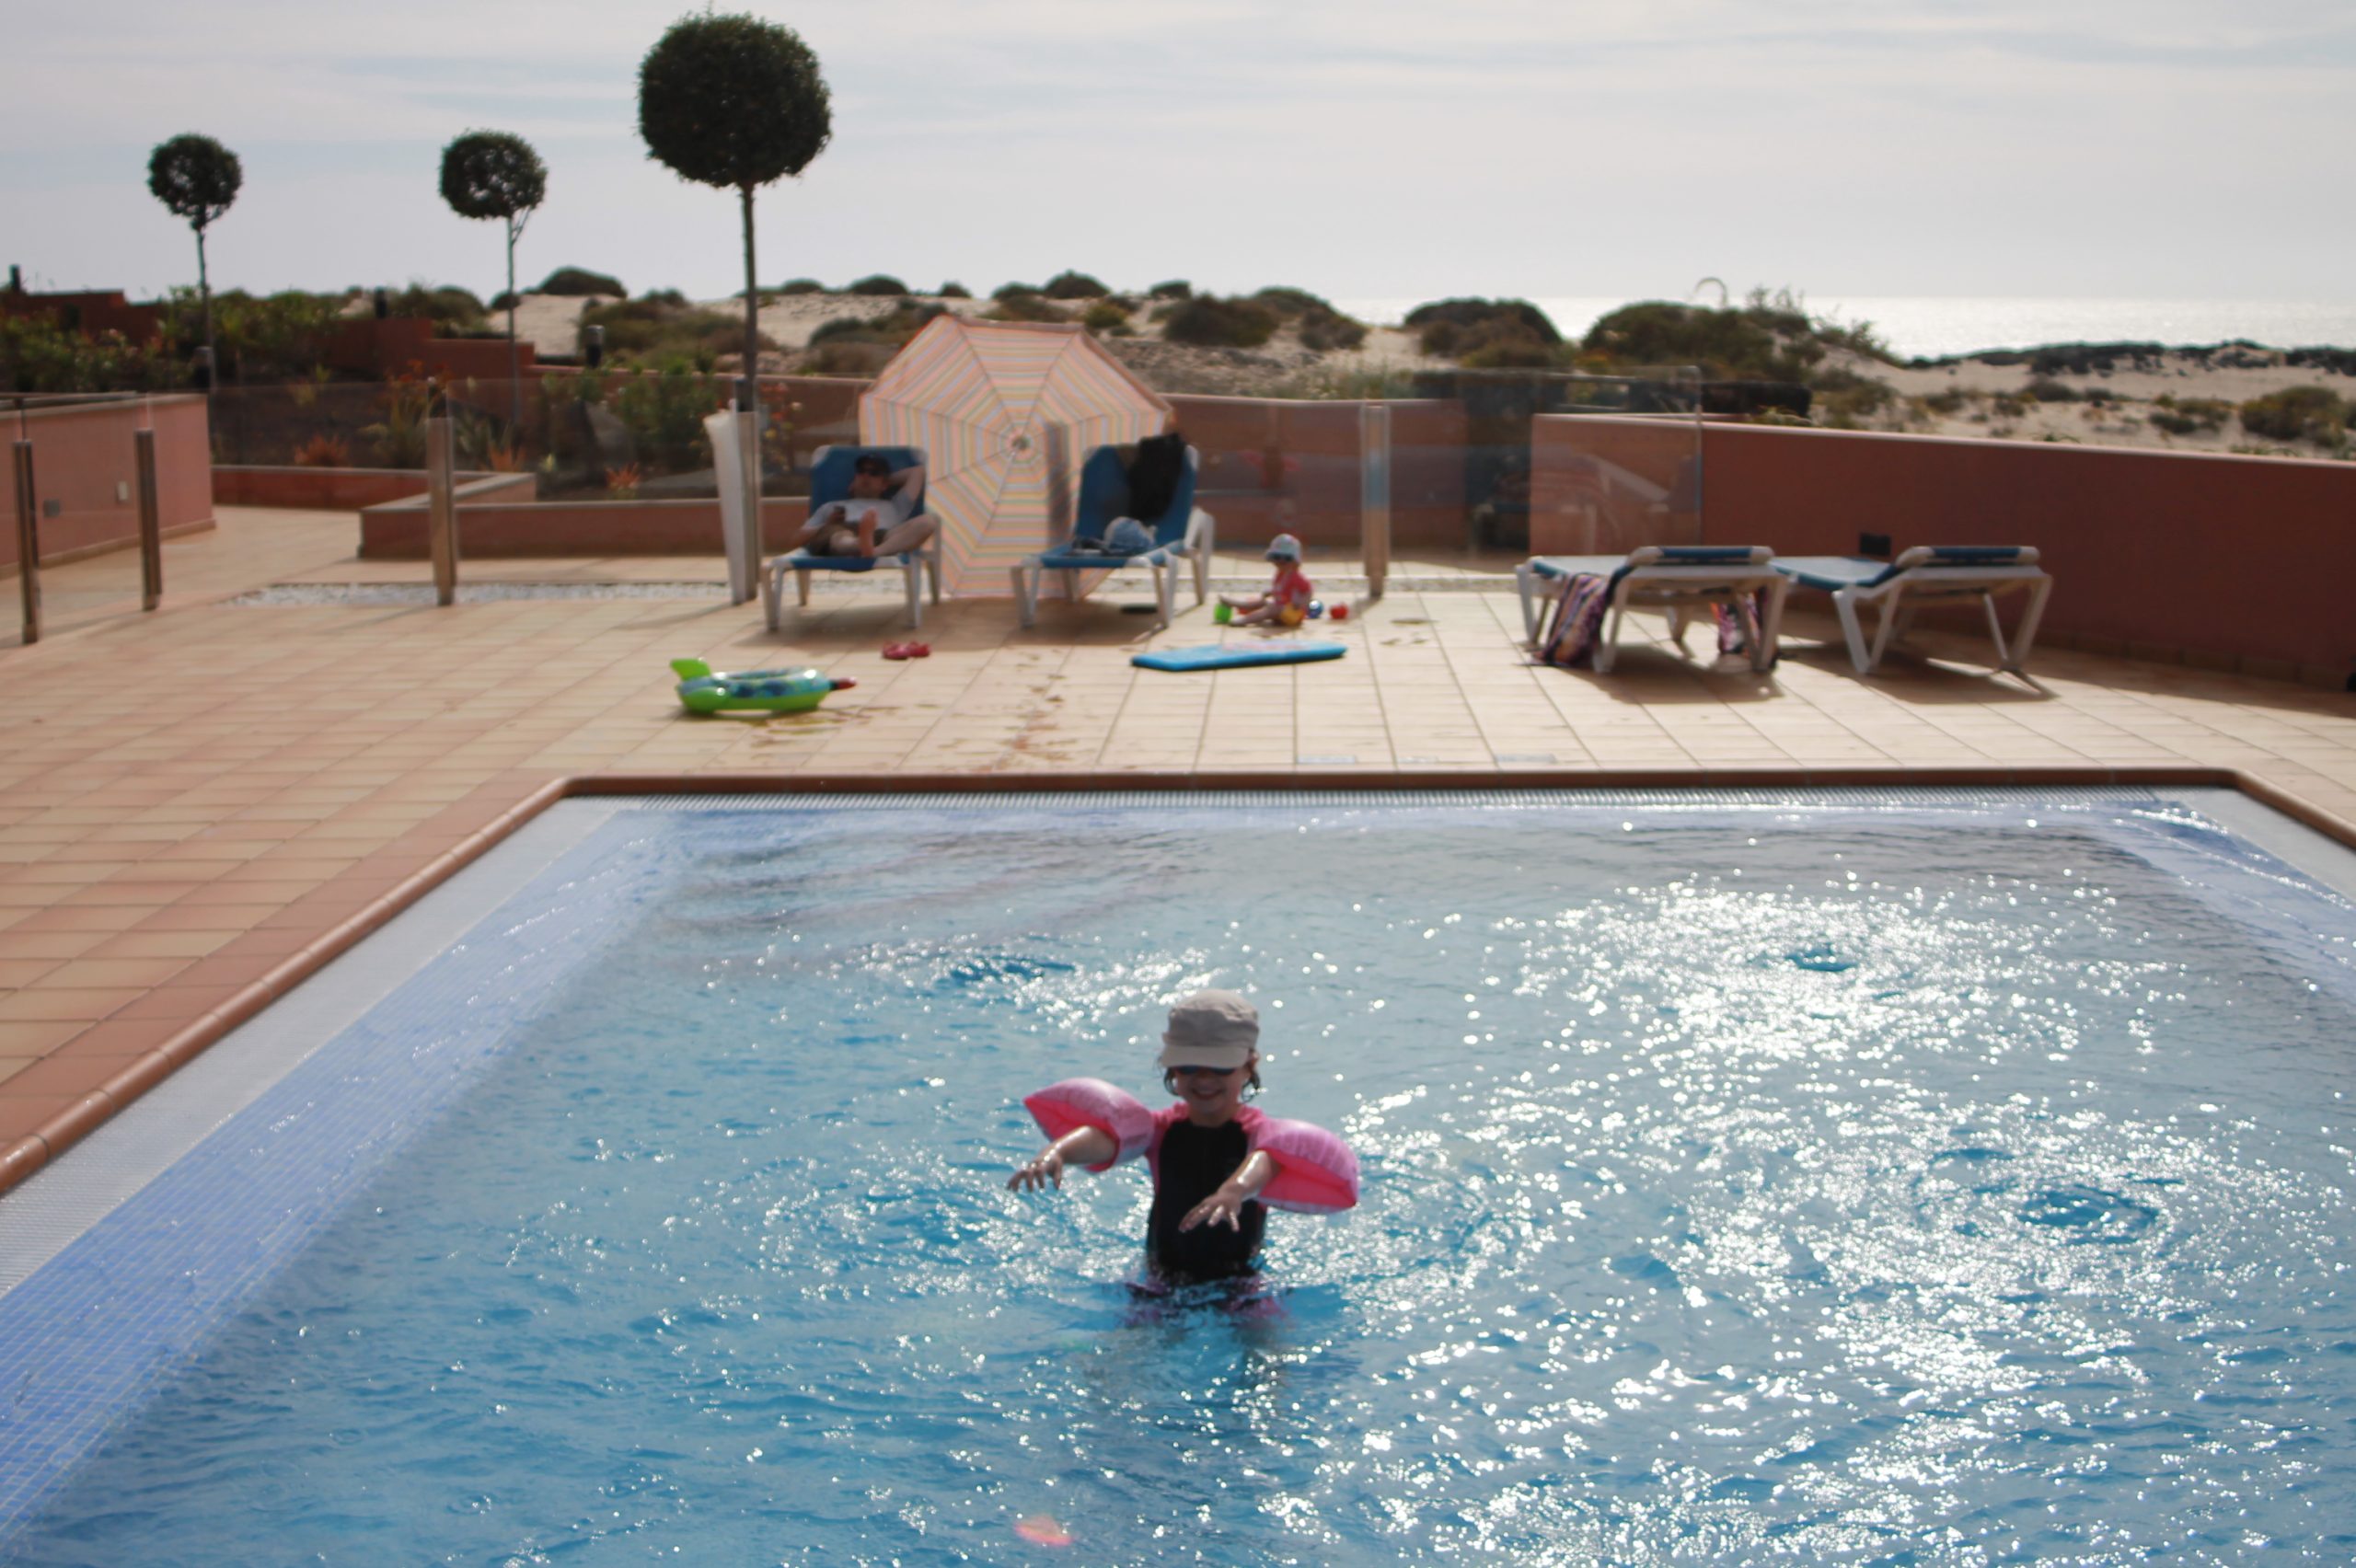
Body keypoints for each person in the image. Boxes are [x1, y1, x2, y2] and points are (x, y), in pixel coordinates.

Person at [1008, 990, 1359, 1285]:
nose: (1204, 1079)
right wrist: (1058, 1153)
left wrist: (1234, 1191)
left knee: (1264, 1345)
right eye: (1188, 1067)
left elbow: (1264, 1162)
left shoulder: (1258, 1137)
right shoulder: (1160, 1130)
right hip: (1161, 1278)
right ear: (1171, 1069)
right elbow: (1108, 1139)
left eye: (1220, 1067)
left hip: (1241, 1282)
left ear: (1249, 1066)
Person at [796, 453, 940, 559]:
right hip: (844, 531)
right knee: (839, 536)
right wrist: (827, 523)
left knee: (928, 521)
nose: (866, 476)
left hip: (884, 537)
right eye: (861, 472)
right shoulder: (832, 506)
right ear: (854, 479)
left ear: (885, 484)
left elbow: (918, 472)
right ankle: (860, 544)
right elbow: (796, 540)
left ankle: (872, 552)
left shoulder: (896, 505)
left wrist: (884, 482)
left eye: (874, 473)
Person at [1219, 534, 1314, 627]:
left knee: (1271, 608)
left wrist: (1302, 603)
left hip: (1293, 614)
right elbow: (1282, 590)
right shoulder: (1281, 575)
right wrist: (1271, 592)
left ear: (1295, 560)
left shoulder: (1296, 577)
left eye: (1287, 558)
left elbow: (1308, 590)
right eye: (1277, 557)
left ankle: (1245, 620)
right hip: (1282, 610)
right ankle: (1238, 604)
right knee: (1262, 602)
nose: (1281, 561)